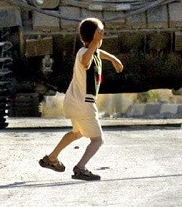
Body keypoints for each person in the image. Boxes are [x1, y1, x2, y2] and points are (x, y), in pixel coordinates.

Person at [39, 17, 123, 181]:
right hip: (83, 105)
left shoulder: (88, 50)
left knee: (76, 133)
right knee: (98, 140)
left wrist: (113, 59)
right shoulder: (86, 54)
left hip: (73, 102)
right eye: (99, 32)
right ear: (94, 36)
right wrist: (95, 42)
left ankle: (51, 158)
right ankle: (80, 168)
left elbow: (97, 52)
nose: (102, 34)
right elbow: (87, 61)